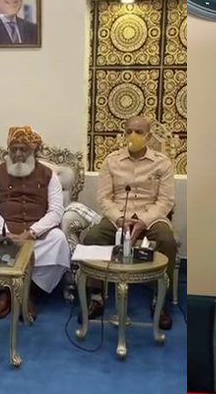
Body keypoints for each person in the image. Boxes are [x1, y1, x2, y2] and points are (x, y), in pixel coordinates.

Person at [83, 115, 177, 330]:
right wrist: (118, 218)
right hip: (119, 215)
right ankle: (96, 296)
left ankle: (160, 300)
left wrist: (144, 221)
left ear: (149, 136)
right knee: (92, 238)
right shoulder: (111, 161)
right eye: (129, 131)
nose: (133, 136)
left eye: (139, 132)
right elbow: (104, 198)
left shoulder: (162, 163)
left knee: (167, 241)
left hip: (151, 216)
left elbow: (166, 200)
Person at [0, 126, 70, 320]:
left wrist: (32, 233)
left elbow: (56, 211)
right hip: (4, 235)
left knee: (58, 239)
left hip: (36, 236)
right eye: (14, 149)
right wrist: (5, 232)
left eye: (23, 149)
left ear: (33, 151)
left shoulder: (49, 175)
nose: (18, 154)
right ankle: (8, 290)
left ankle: (28, 291)